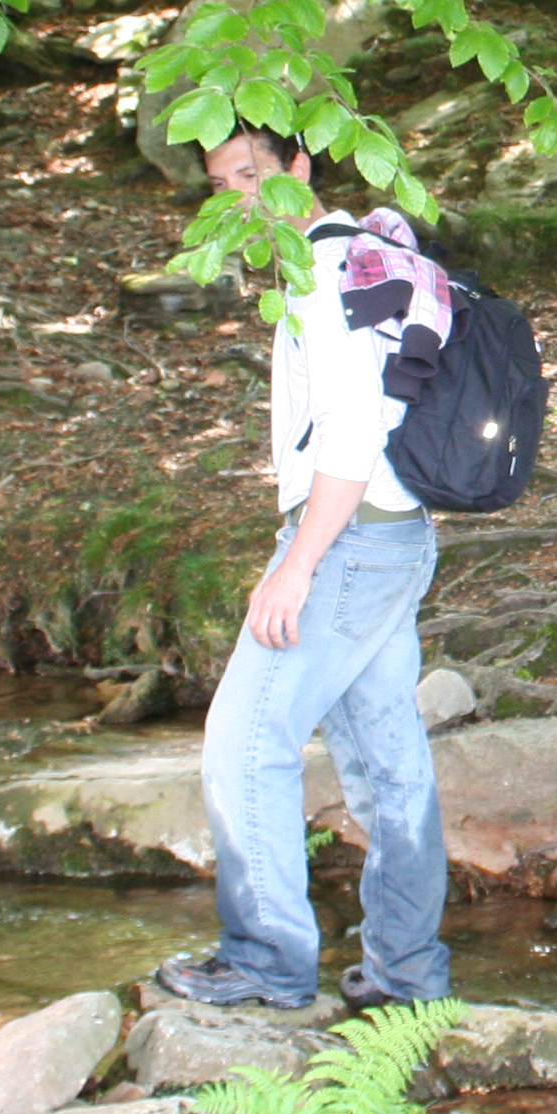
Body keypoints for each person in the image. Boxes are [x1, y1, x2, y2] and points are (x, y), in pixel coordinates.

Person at [155, 122, 452, 1021]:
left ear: (299, 166)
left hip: (350, 542)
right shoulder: (359, 256)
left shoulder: (324, 272)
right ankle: (407, 974)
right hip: (395, 536)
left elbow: (352, 436)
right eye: (221, 185)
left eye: (252, 174)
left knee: (245, 742)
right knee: (385, 761)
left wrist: (297, 566)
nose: (238, 198)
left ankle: (267, 962)